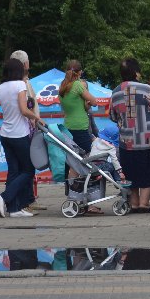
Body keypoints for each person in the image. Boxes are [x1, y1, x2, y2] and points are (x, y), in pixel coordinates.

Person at [109, 58, 150, 213]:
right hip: (148, 137)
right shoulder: (146, 89)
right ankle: (144, 203)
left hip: (127, 139)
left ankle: (134, 203)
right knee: (148, 169)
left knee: (130, 171)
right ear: (136, 72)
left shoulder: (115, 91)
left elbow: (112, 116)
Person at [0, 58, 44, 218]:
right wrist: (36, 117)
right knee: (28, 170)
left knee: (14, 171)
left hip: (5, 134)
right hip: (19, 134)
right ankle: (4, 197)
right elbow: (23, 109)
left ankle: (14, 209)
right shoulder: (20, 85)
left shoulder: (0, 87)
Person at [59, 60, 98, 209]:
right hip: (81, 127)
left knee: (73, 161)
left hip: (68, 127)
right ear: (80, 72)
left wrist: (84, 104)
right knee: (89, 160)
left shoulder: (63, 86)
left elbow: (73, 106)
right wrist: (89, 103)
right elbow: (94, 101)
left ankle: (72, 196)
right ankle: (88, 198)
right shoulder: (78, 85)